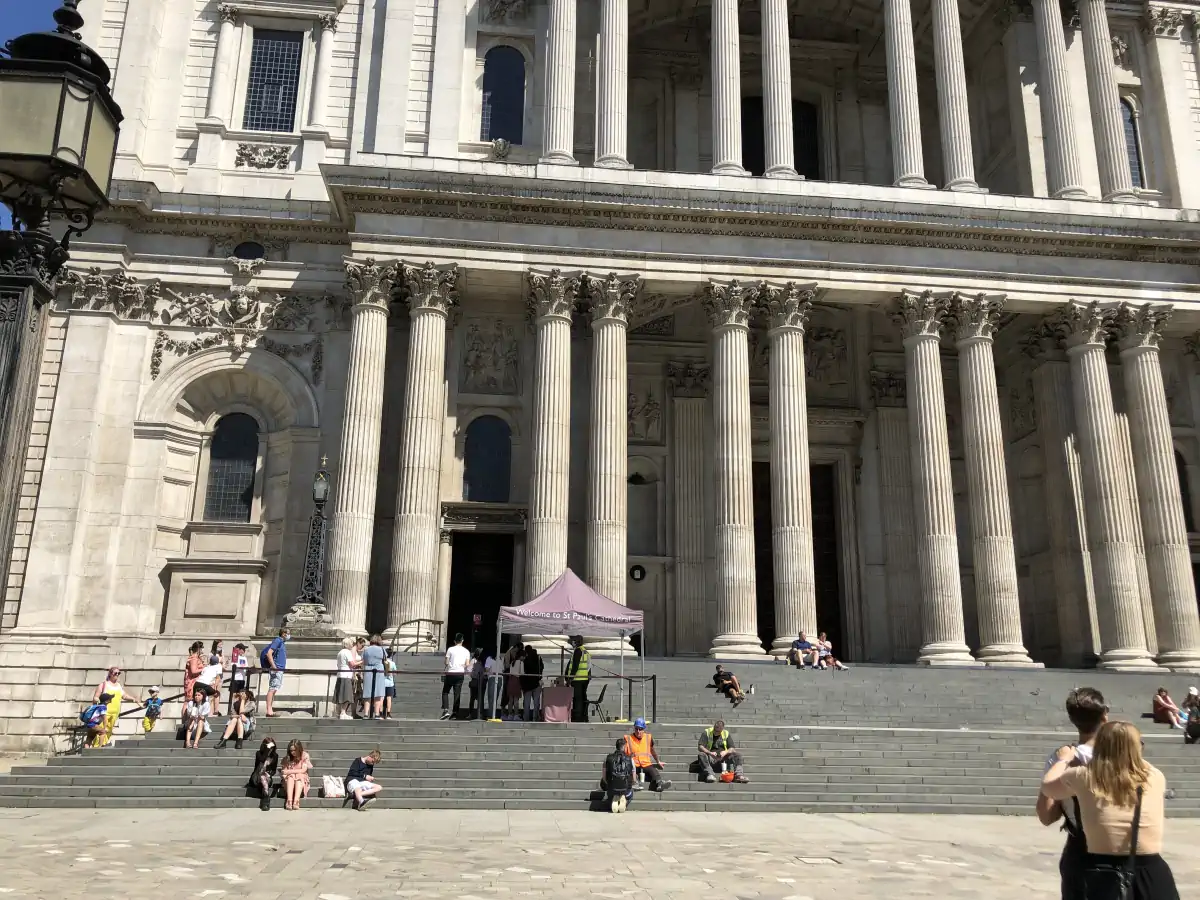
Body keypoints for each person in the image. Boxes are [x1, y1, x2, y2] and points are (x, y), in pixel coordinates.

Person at [1042, 721, 1180, 900]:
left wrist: (1064, 759)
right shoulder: (1155, 776)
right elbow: (1134, 767)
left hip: (1103, 873)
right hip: (1151, 873)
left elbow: (1048, 787)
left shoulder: (1082, 776)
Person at [1035, 687, 1108, 900]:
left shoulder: (1061, 759)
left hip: (1080, 851)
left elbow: (1047, 816)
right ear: (1105, 714)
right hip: (1119, 848)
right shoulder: (1121, 755)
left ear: (1071, 718)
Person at [624, 718, 672, 793]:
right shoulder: (628, 738)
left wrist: (658, 761)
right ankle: (636, 783)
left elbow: (652, 750)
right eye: (636, 729)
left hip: (646, 763)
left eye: (640, 729)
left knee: (653, 771)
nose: (638, 731)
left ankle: (660, 783)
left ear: (644, 729)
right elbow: (624, 753)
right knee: (633, 773)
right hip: (634, 764)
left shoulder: (648, 737)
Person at [93, 666, 137, 748]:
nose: (117, 675)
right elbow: (96, 696)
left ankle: (103, 744)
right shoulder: (103, 685)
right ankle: (96, 746)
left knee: (109, 729)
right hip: (104, 712)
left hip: (115, 712)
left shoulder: (118, 686)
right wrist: (97, 700)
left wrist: (133, 699)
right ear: (110, 674)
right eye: (115, 673)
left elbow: (124, 695)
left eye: (118, 673)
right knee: (101, 729)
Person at [697, 719, 749, 783]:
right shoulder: (707, 732)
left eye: (718, 731)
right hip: (711, 758)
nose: (716, 733)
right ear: (714, 727)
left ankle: (739, 775)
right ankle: (710, 774)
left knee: (737, 754)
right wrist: (710, 753)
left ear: (722, 729)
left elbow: (732, 748)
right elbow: (700, 747)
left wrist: (725, 752)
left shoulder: (726, 733)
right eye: (715, 730)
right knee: (701, 754)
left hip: (723, 760)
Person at [601, 738, 635, 813]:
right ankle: (624, 797)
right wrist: (632, 783)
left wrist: (607, 783)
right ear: (625, 746)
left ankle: (613, 797)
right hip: (625, 786)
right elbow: (634, 777)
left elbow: (604, 777)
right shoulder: (630, 759)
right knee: (631, 793)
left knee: (606, 785)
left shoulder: (607, 758)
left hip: (612, 786)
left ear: (616, 746)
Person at [441, 633, 471, 720]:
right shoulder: (466, 651)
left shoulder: (450, 649)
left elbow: (446, 662)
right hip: (460, 673)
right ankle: (455, 712)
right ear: (462, 641)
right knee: (457, 693)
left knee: (445, 692)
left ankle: (446, 709)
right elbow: (467, 664)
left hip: (451, 673)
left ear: (455, 641)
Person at [261, 627, 289, 717]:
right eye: (288, 633)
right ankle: (269, 710)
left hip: (279, 669)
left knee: (274, 689)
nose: (289, 635)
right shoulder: (278, 641)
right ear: (284, 634)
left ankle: (270, 710)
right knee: (272, 689)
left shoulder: (282, 643)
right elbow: (269, 653)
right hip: (276, 669)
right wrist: (274, 667)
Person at [360, 634, 388, 719]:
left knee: (367, 693)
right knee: (378, 693)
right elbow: (385, 659)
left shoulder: (366, 650)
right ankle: (376, 714)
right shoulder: (382, 649)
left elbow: (363, 661)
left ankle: (365, 714)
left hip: (368, 670)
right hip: (379, 670)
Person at [281, 739, 313, 811]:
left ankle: (296, 801)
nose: (293, 752)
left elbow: (303, 770)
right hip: (289, 780)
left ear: (299, 749)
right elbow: (283, 772)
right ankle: (289, 801)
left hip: (301, 779)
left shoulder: (304, 755)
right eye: (291, 750)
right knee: (291, 776)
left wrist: (289, 771)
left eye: (294, 750)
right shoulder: (288, 758)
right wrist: (286, 774)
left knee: (299, 776)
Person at [334, 637, 361, 719]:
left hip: (340, 675)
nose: (352, 645)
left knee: (340, 694)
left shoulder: (340, 652)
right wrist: (362, 661)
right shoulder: (347, 652)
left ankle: (339, 712)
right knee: (347, 694)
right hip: (346, 675)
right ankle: (343, 712)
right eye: (351, 643)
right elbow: (352, 664)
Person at [567, 635, 591, 723]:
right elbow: (589, 666)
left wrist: (570, 678)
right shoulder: (585, 651)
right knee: (582, 697)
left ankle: (577, 717)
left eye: (574, 640)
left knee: (577, 699)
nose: (573, 642)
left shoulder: (578, 651)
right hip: (584, 679)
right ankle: (584, 716)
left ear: (577, 641)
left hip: (577, 679)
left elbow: (575, 666)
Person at [250, 737, 279, 811]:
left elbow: (274, 770)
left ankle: (266, 799)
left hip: (267, 779)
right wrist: (267, 750)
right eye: (269, 747)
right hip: (256, 777)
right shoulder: (258, 753)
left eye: (272, 747)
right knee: (262, 778)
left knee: (264, 778)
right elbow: (262, 760)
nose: (271, 749)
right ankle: (266, 801)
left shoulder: (275, 756)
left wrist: (270, 774)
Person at [521, 645, 544, 722]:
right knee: (536, 702)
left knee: (527, 703)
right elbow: (542, 667)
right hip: (537, 682)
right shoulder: (538, 658)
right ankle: (535, 718)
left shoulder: (525, 659)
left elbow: (523, 670)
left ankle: (526, 718)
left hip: (527, 684)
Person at [504, 641, 525, 718]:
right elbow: (522, 673)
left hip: (510, 680)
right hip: (517, 680)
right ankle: (516, 714)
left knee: (510, 700)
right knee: (516, 700)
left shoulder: (513, 661)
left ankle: (509, 714)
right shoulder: (520, 663)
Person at [482, 651, 504, 720]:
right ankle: (493, 713)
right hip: (500, 678)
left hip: (492, 678)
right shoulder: (500, 659)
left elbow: (487, 669)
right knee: (496, 697)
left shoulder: (489, 658)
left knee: (491, 698)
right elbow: (502, 669)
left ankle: (490, 714)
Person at [467, 648, 484, 720]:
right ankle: (473, 713)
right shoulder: (474, 661)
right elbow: (469, 670)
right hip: (476, 681)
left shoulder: (480, 661)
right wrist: (474, 675)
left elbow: (469, 670)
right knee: (474, 698)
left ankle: (478, 713)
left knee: (477, 698)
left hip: (479, 681)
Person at [382, 649, 398, 719]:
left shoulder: (382, 662)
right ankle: (388, 713)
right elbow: (395, 673)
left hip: (382, 682)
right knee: (389, 698)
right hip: (390, 682)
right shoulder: (392, 663)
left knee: (381, 698)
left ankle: (380, 713)